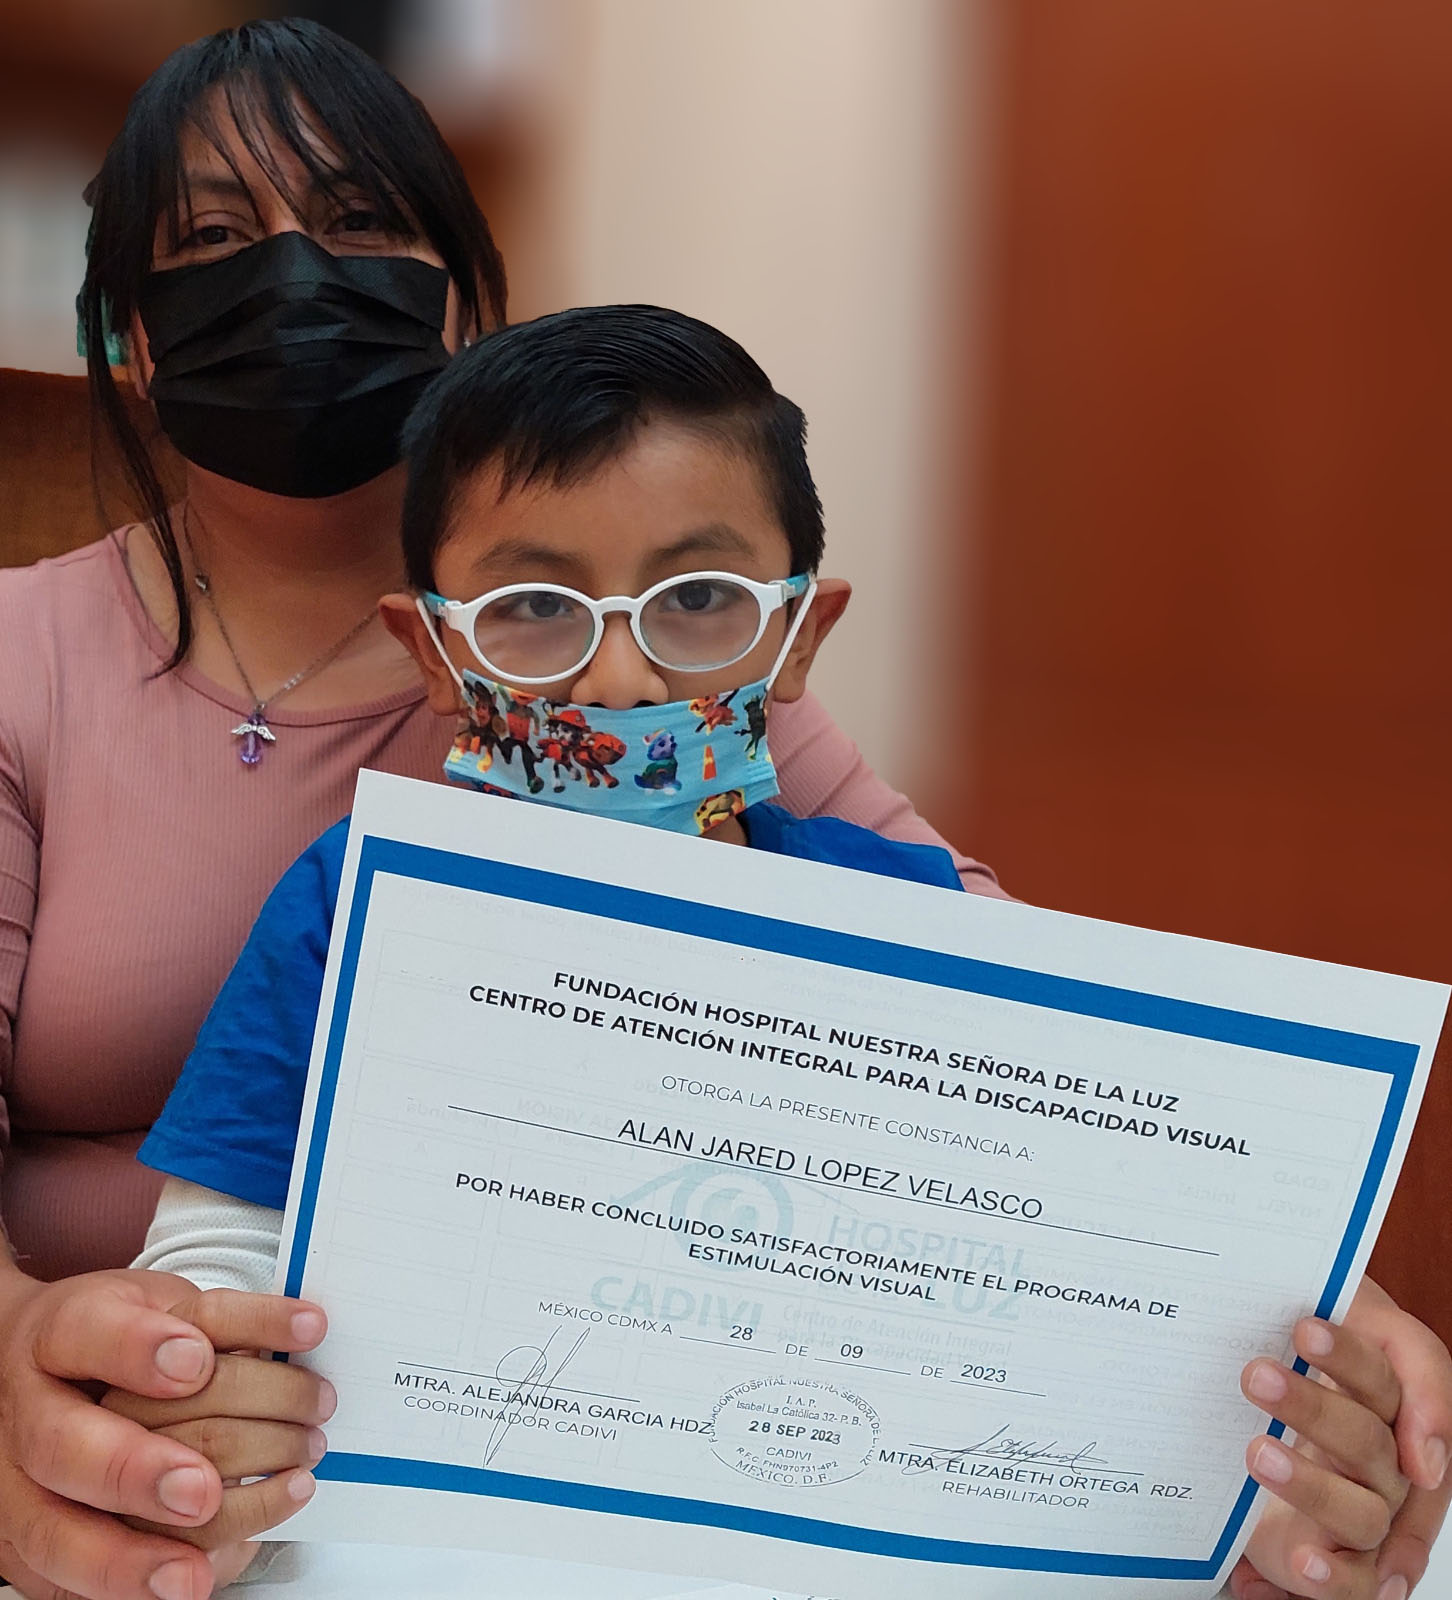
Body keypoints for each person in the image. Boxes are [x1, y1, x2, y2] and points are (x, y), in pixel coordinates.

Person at [113, 306, 1451, 1600]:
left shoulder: (909, 920)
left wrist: (1268, 1461)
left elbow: (1085, 1296)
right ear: (437, 655)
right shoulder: (350, 907)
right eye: (535, 608)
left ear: (800, 633)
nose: (624, 680)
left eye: (697, 598)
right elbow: (216, 1258)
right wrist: (211, 1394)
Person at [0, 22, 1016, 1600]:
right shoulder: (48, 681)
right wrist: (72, 1378)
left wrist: (1269, 1291)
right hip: (229, 1447)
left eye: (356, 222)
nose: (289, 276)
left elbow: (1013, 1015)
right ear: (126, 332)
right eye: (209, 238)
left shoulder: (692, 671)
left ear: (464, 301)